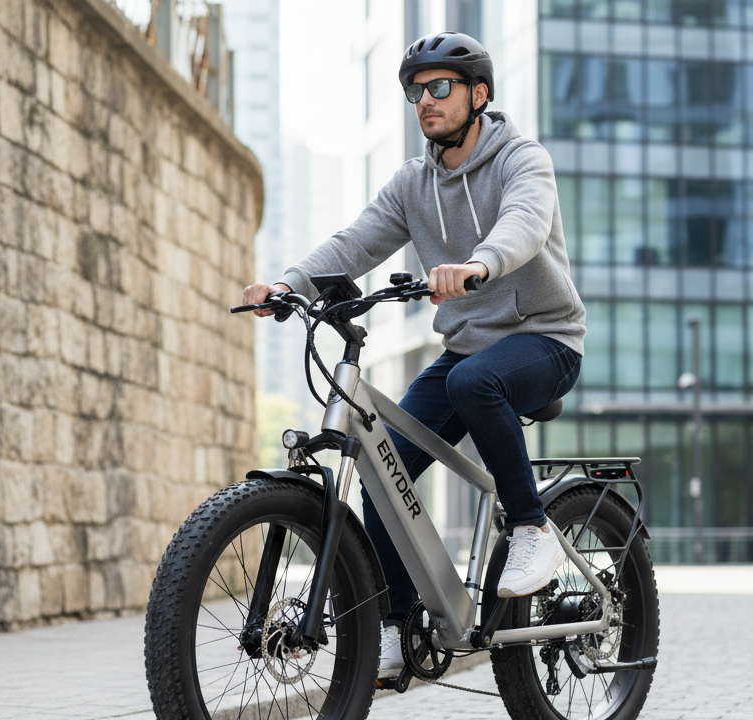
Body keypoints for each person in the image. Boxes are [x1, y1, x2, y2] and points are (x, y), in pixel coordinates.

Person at [241, 32, 586, 677]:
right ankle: (401, 623)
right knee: (382, 466)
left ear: (478, 95)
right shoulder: (413, 183)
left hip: (545, 339)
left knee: (475, 384)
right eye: (415, 91)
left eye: (439, 88)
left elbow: (525, 222)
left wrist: (480, 265)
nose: (424, 101)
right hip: (467, 350)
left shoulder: (522, 159)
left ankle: (534, 529)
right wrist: (290, 284)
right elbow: (357, 242)